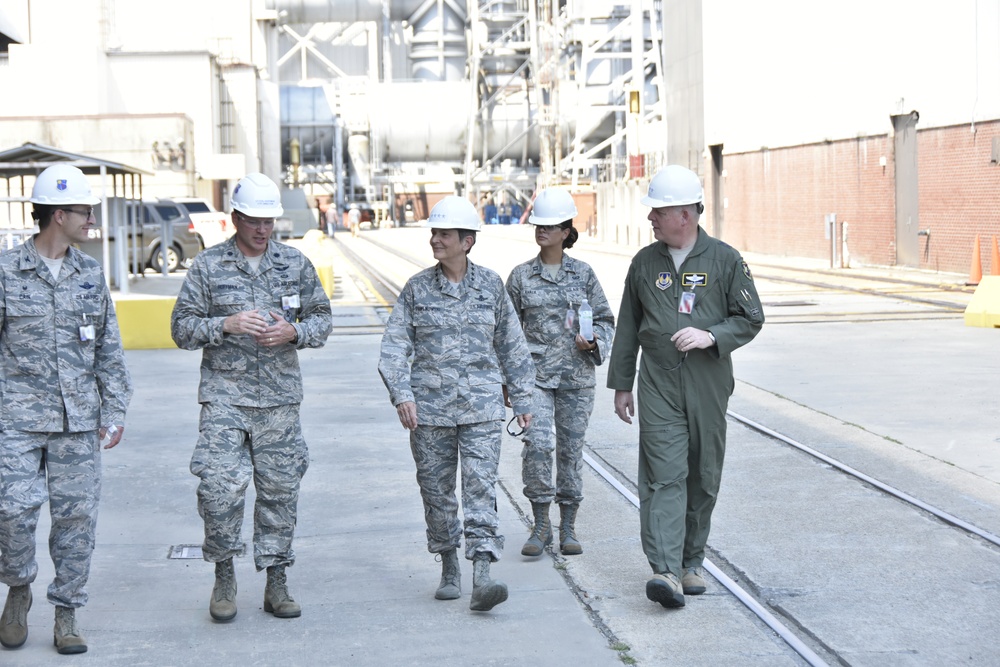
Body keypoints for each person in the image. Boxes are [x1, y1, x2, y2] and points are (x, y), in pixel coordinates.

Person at [170, 172, 332, 623]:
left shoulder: (295, 264)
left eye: (269, 222)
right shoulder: (207, 266)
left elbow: (322, 317)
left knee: (280, 493)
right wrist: (225, 325)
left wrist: (295, 331)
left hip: (279, 402)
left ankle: (276, 581)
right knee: (220, 490)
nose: (262, 230)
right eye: (254, 221)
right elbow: (181, 328)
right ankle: (224, 573)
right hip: (225, 400)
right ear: (236, 219)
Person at [607, 165, 764, 609]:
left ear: (685, 214)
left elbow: (751, 318)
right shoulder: (644, 263)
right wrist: (622, 384)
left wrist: (711, 335)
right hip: (657, 380)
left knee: (703, 472)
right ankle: (665, 570)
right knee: (663, 475)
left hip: (708, 381)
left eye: (658, 211)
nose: (651, 219)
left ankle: (692, 561)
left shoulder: (726, 260)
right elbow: (628, 326)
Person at [378, 195, 535, 612]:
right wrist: (402, 394)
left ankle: (483, 572)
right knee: (437, 492)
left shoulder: (491, 286)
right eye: (434, 233)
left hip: (482, 408)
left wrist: (522, 397)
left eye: (444, 234)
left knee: (481, 487)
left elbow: (512, 345)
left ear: (467, 241)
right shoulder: (416, 290)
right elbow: (394, 346)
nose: (435, 240)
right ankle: (449, 564)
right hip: (429, 413)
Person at [0, 164, 132, 655]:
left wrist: (114, 409)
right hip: (16, 418)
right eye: (85, 212)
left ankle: (67, 611)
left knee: (76, 520)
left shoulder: (90, 273)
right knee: (12, 511)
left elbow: (109, 350)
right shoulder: (8, 271)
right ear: (59, 215)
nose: (92, 221)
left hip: (78, 420)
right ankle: (18, 588)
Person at [505, 187, 615, 558]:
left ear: (566, 231)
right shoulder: (520, 277)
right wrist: (509, 381)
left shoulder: (583, 274)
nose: (541, 231)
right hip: (534, 377)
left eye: (550, 226)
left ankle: (568, 525)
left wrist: (595, 341)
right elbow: (505, 332)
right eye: (538, 224)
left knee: (570, 452)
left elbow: (605, 320)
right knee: (537, 447)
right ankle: (540, 525)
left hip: (576, 378)